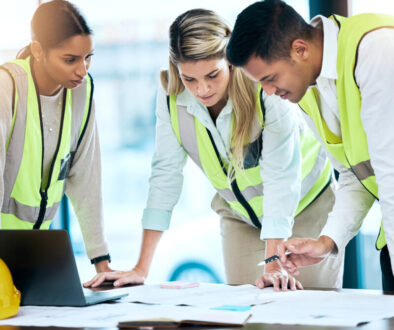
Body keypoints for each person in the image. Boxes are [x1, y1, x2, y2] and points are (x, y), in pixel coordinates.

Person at [84, 8, 343, 291]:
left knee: (307, 310)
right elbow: (165, 175)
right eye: (189, 79)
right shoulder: (170, 95)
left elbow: (281, 177)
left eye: (212, 75)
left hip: (307, 206)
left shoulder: (264, 87)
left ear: (229, 62)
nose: (202, 89)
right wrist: (140, 268)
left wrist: (273, 261)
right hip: (240, 218)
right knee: (247, 313)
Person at [226, 0, 394, 290]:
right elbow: (356, 175)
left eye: (270, 78)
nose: (268, 92)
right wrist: (327, 241)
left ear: (300, 49)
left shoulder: (375, 50)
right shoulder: (307, 90)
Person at [0, 0, 112, 272]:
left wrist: (102, 264)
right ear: (38, 50)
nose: (82, 70)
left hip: (38, 251)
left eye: (88, 57)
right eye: (70, 59)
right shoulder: (8, 86)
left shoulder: (82, 92)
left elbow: (86, 179)